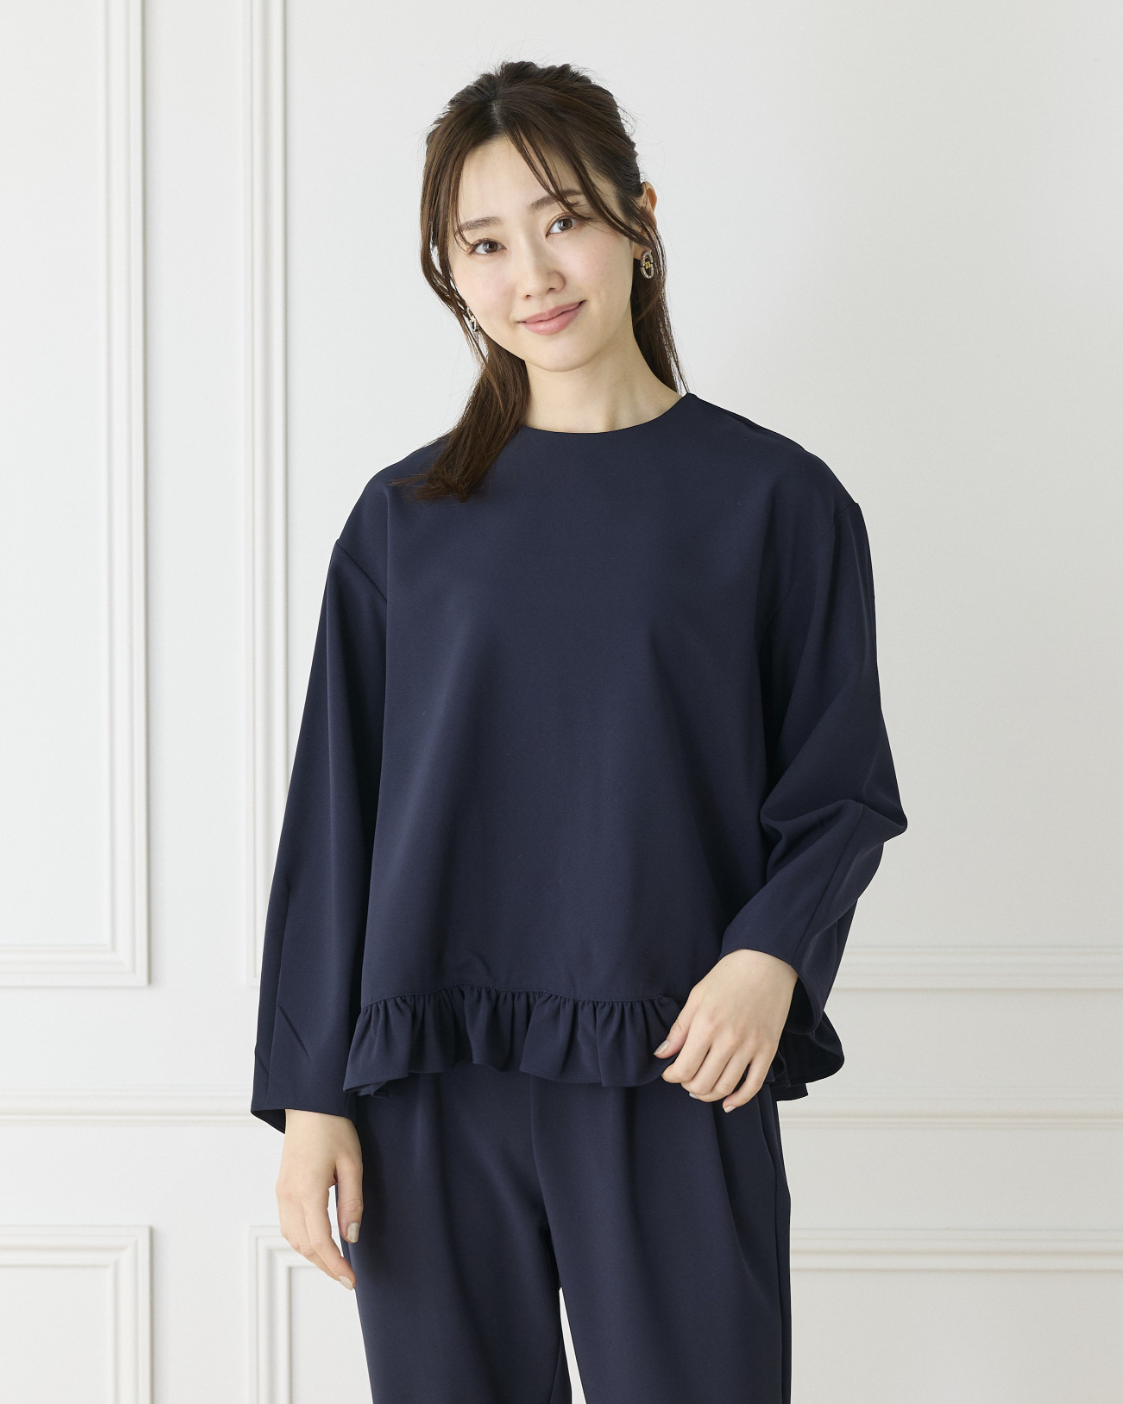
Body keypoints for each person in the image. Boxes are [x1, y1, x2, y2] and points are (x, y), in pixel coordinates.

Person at [251, 58, 906, 1404]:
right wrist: (313, 1095)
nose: (532, 275)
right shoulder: (404, 524)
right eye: (484, 244)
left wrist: (769, 955)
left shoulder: (777, 503)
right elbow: (336, 816)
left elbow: (839, 785)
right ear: (451, 272)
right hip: (428, 1081)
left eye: (562, 221)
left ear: (638, 220)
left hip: (677, 1062)